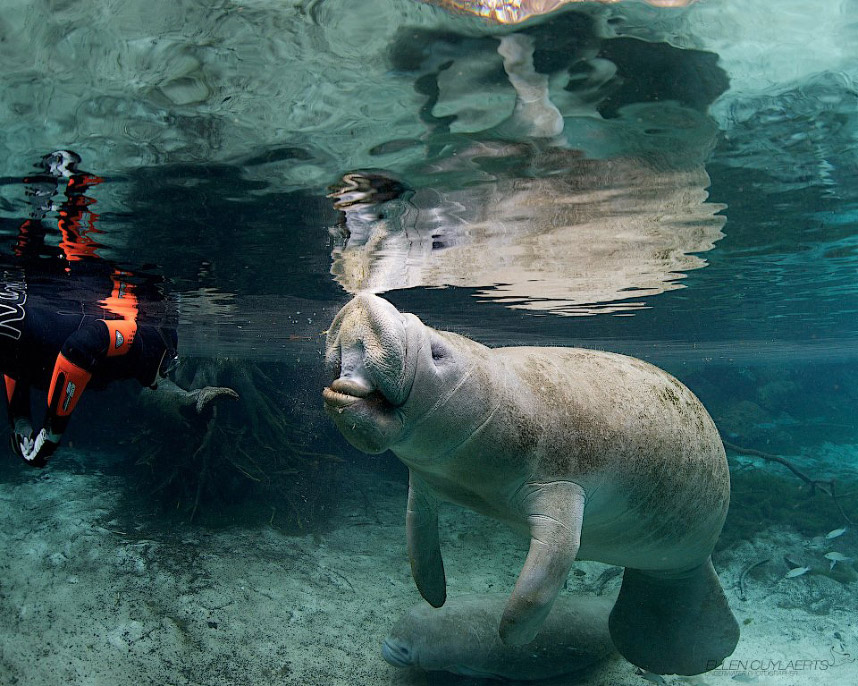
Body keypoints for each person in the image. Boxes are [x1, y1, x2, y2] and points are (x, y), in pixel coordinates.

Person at [1, 150, 234, 468]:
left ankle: (69, 187)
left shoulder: (136, 332)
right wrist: (51, 434)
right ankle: (67, 187)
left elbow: (15, 353)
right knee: (70, 246)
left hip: (52, 281)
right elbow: (81, 347)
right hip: (68, 283)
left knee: (68, 246)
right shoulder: (139, 335)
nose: (167, 369)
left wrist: (20, 422)